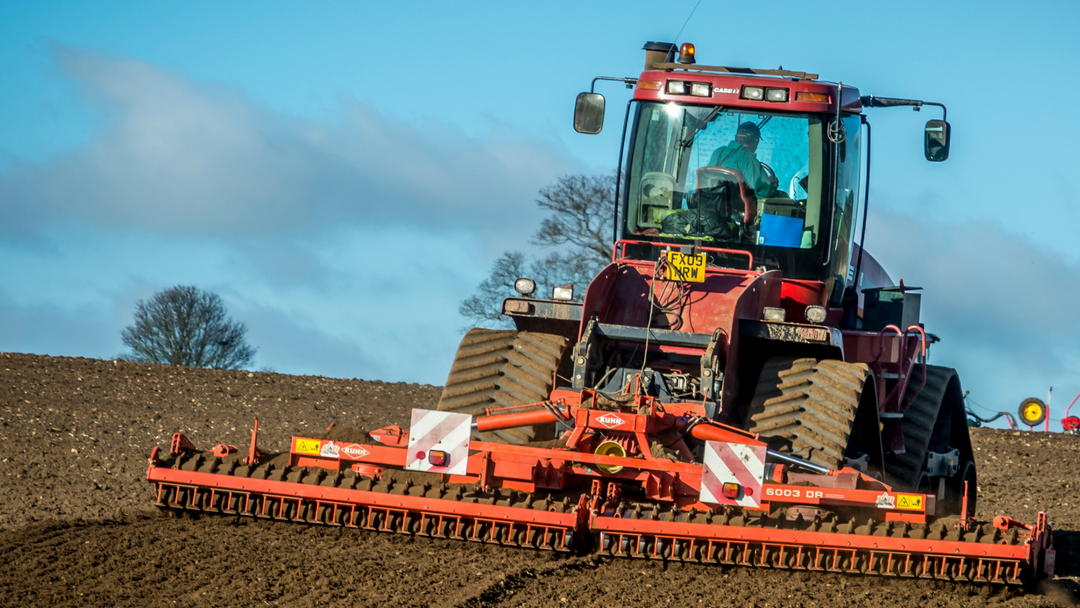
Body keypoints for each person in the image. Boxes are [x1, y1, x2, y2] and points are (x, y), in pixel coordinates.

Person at [707, 122, 777, 199]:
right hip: (737, 208)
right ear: (756, 141)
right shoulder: (748, 158)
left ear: (735, 138)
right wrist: (771, 185)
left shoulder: (718, 152)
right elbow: (764, 193)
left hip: (708, 205)